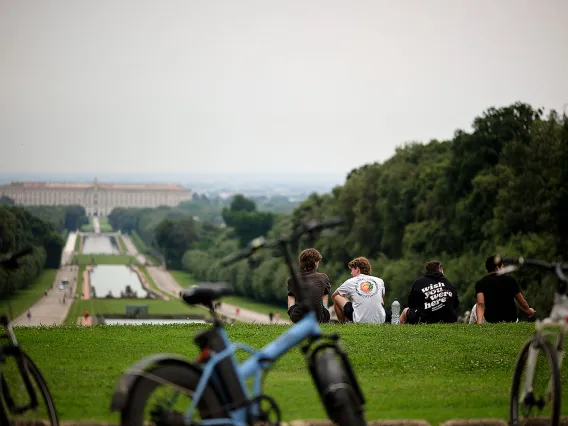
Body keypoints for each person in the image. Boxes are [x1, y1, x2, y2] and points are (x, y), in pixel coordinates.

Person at [475, 255, 535, 324]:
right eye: (502, 266)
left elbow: (480, 304)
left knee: (475, 308)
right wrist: (529, 310)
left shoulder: (480, 283)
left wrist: (479, 323)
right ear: (498, 267)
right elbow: (522, 303)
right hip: (511, 320)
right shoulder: (510, 280)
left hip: (491, 321)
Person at [332, 257, 386, 324]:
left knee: (337, 297)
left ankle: (342, 324)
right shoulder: (379, 281)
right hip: (380, 320)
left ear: (357, 269)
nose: (351, 273)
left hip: (360, 320)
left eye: (352, 270)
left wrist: (346, 302)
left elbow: (334, 295)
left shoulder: (350, 281)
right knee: (380, 296)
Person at [287, 248, 331, 323]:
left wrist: (291, 309)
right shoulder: (323, 277)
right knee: (325, 293)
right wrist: (325, 310)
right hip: (320, 318)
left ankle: (293, 315)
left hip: (298, 317)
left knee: (291, 295)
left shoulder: (292, 279)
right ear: (315, 263)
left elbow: (291, 297)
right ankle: (324, 311)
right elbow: (325, 294)